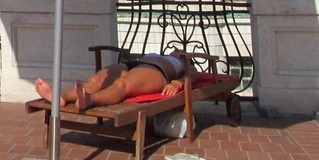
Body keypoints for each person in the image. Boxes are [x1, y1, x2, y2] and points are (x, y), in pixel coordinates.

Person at [34, 49, 197, 110]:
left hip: (156, 72)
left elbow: (194, 74)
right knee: (97, 80)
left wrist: (177, 82)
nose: (176, 50)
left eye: (180, 51)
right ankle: (62, 95)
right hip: (132, 64)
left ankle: (90, 99)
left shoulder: (182, 62)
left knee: (122, 84)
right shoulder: (158, 54)